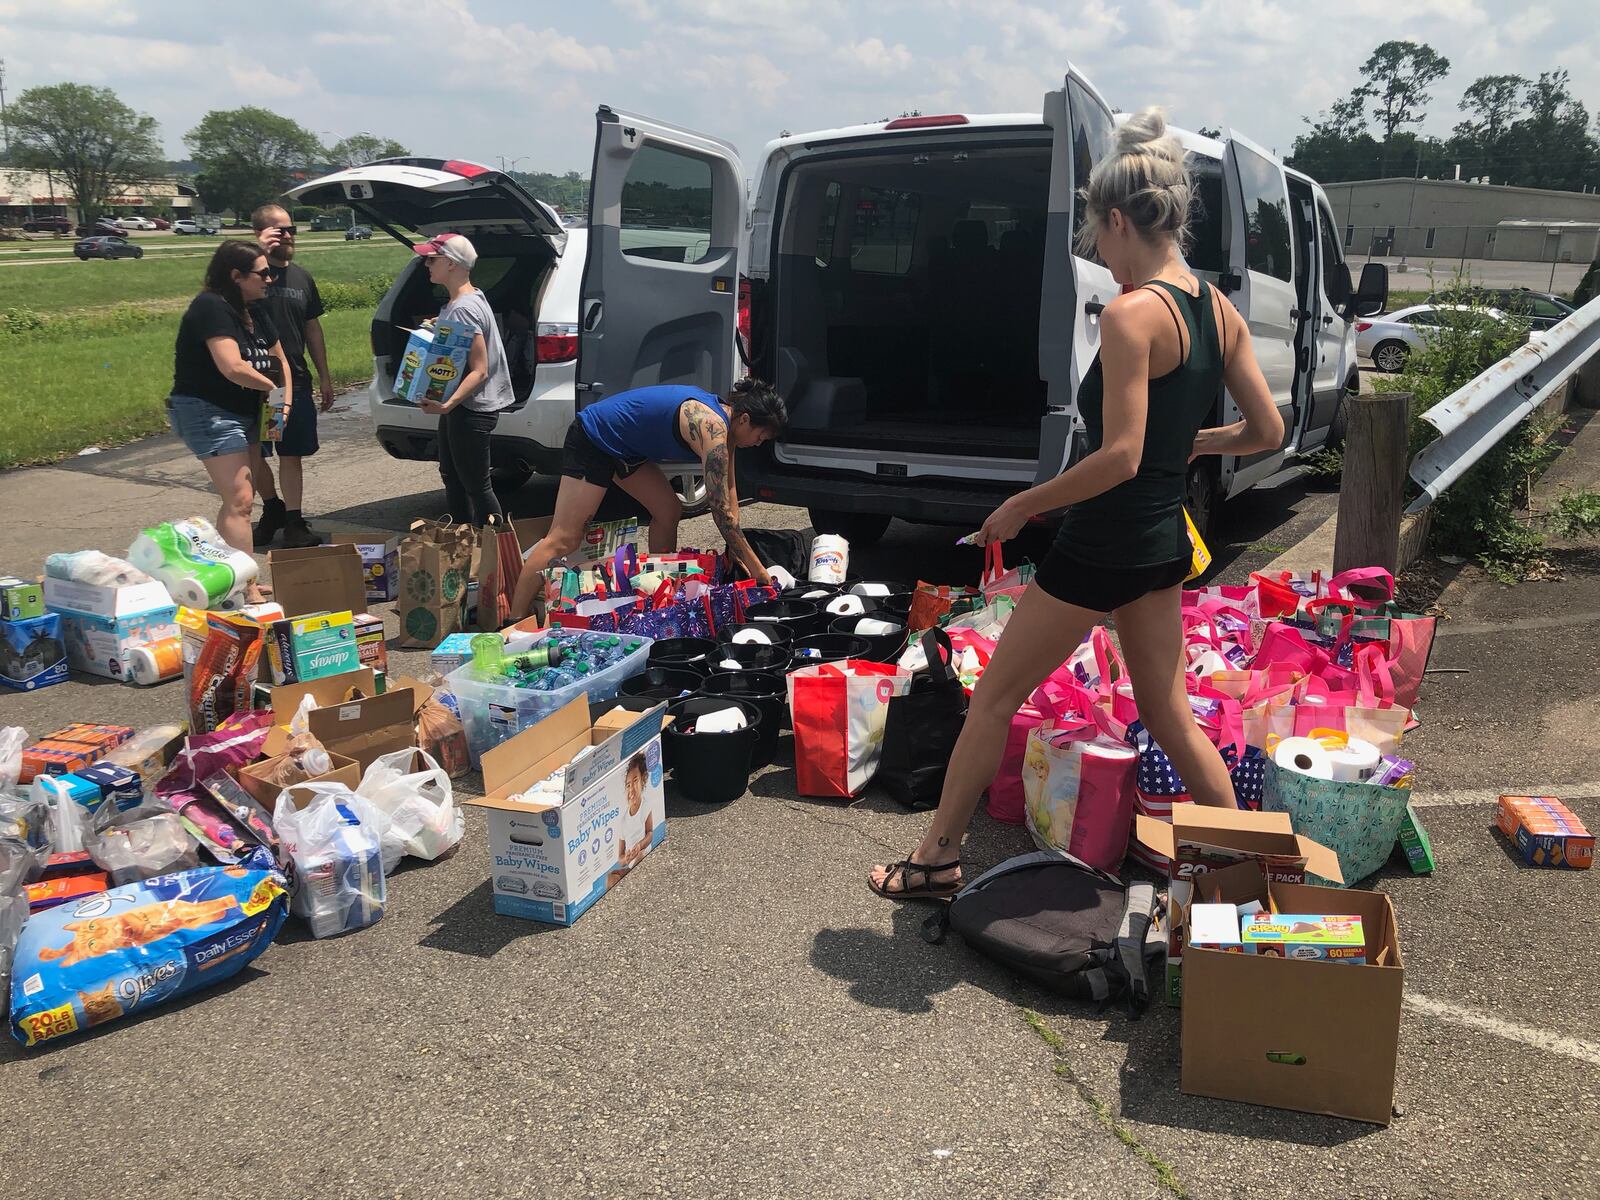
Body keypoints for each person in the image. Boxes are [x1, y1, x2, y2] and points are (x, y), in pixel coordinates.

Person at [868, 109, 1284, 901]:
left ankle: (936, 859)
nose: (1103, 255)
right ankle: (1245, 881)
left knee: (994, 699)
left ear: (1120, 219)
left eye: (1100, 237)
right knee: (1171, 717)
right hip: (1164, 538)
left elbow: (1119, 456)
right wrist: (1198, 444)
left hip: (1102, 545)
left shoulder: (1133, 314)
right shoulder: (1217, 307)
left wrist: (1022, 504)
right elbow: (1267, 430)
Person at [509, 378, 789, 621]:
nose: (758, 443)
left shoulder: (729, 431)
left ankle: (656, 591)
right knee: (565, 537)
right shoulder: (712, 427)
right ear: (745, 420)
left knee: (668, 510)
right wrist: (758, 572)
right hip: (593, 438)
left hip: (626, 450)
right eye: (760, 436)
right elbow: (720, 513)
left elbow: (729, 495)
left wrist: (740, 555)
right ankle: (512, 620)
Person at [166, 240, 290, 605]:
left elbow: (280, 361)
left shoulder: (256, 309)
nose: (270, 278)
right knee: (240, 499)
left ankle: (232, 577)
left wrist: (283, 403)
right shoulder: (211, 307)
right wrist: (272, 390)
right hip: (209, 410)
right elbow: (232, 366)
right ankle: (244, 585)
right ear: (236, 276)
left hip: (246, 408)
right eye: (263, 273)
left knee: (238, 500)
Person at [411, 232, 515, 527]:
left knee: (477, 486)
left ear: (452, 264)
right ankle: (464, 544)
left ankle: (498, 553)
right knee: (452, 476)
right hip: (461, 407)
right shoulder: (465, 300)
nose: (427, 264)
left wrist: (448, 404)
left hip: (471, 409)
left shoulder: (464, 309)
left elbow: (479, 370)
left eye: (432, 259)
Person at [249, 204, 335, 549]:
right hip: (257, 380)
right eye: (279, 230)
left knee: (290, 452)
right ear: (260, 233)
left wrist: (325, 375)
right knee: (253, 451)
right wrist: (259, 254)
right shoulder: (249, 274)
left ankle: (294, 521)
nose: (287, 236)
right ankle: (272, 507)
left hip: (293, 380)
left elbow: (312, 327)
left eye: (291, 230)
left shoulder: (302, 277)